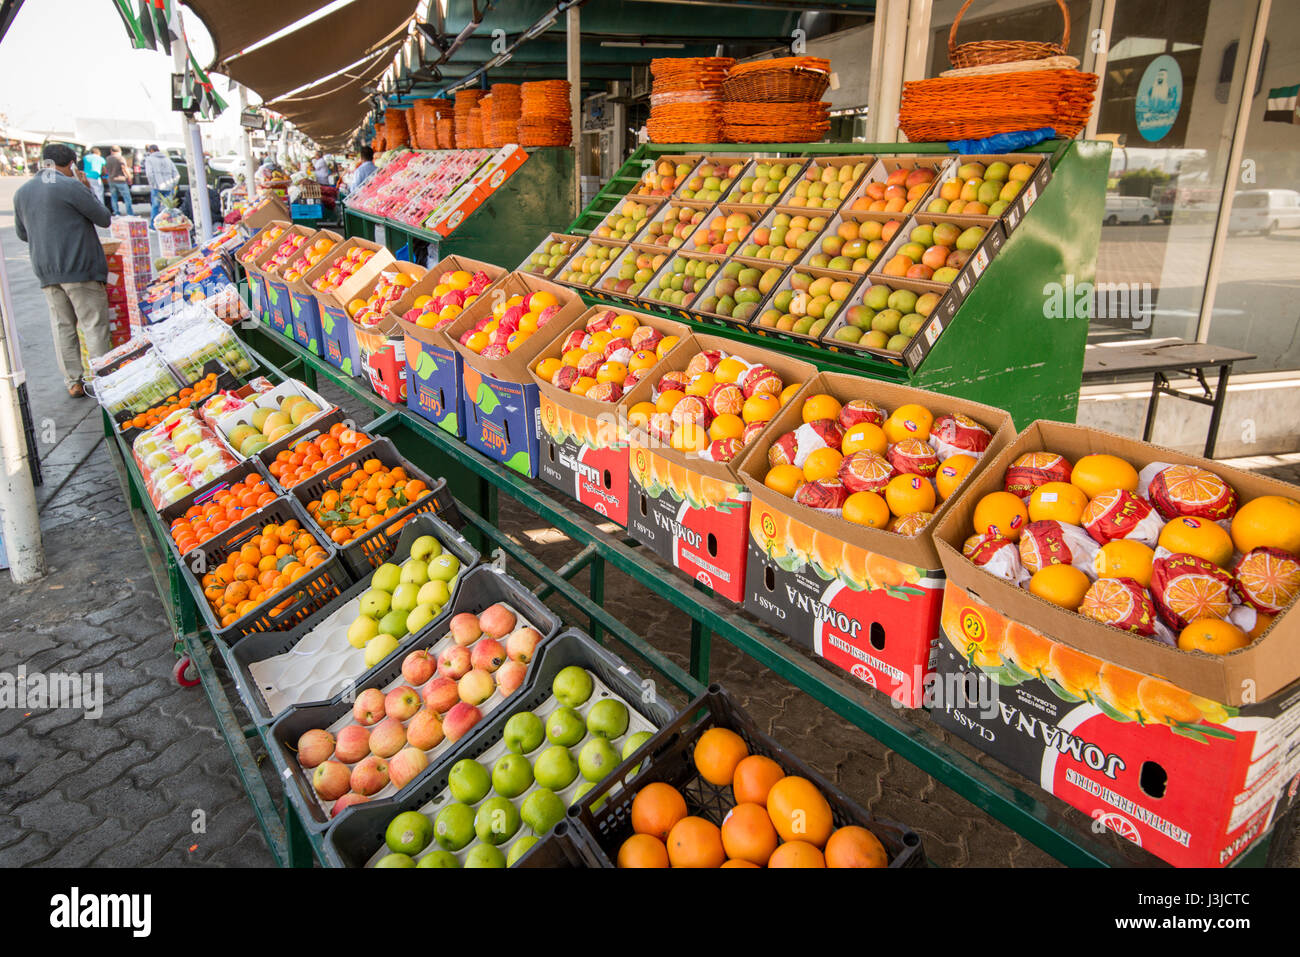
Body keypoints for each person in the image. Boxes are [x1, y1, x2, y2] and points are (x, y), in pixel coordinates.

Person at [13, 143, 113, 397]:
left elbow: (22, 234)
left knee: (63, 326)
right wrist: (88, 188)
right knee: (93, 325)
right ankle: (104, 382)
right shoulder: (71, 186)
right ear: (71, 165)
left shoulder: (22, 192)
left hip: (46, 271)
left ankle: (73, 382)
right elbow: (103, 218)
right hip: (80, 267)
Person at [143, 144, 179, 226]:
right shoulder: (167, 159)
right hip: (168, 187)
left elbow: (149, 174)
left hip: (157, 187)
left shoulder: (149, 159)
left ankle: (154, 225)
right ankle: (168, 224)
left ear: (151, 151)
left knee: (155, 206)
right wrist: (173, 184)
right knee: (168, 207)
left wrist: (153, 184)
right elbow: (176, 174)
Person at [103, 145, 131, 215]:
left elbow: (105, 169)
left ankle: (116, 212)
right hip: (120, 180)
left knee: (114, 197)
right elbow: (124, 168)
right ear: (119, 151)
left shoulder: (107, 158)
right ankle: (129, 213)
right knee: (127, 197)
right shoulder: (120, 158)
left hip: (111, 180)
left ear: (111, 151)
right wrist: (129, 177)